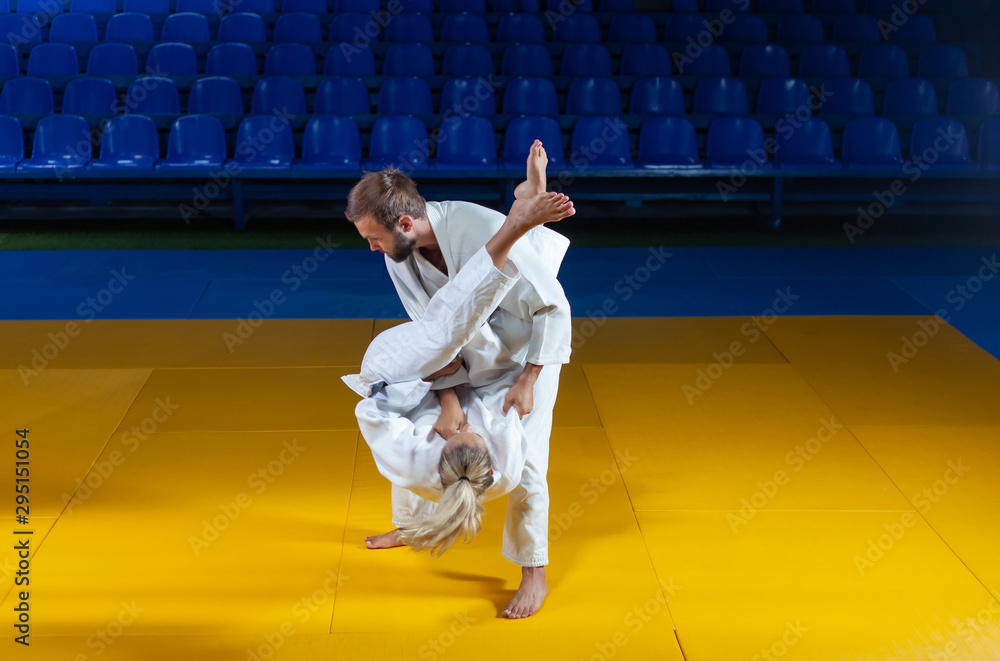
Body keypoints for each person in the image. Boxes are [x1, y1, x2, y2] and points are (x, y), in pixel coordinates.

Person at [346, 142, 572, 619]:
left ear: (404, 224)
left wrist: (530, 379)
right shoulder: (400, 256)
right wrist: (447, 400)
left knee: (525, 459)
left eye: (374, 238)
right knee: (417, 415)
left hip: (528, 350)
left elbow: (554, 306)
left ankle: (535, 571)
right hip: (467, 352)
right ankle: (409, 526)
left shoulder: (476, 227)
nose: (372, 248)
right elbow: (427, 337)